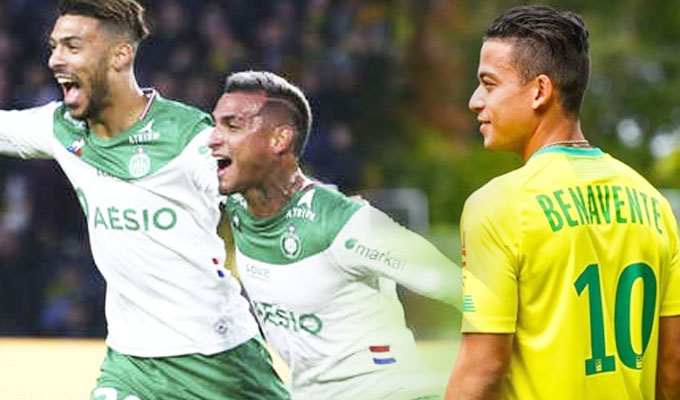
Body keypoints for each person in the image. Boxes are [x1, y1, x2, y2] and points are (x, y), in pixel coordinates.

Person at [0, 1, 289, 399]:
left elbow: (270, 197)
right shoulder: (62, 129)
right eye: (54, 47)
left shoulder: (187, 138)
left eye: (72, 46)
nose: (55, 59)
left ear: (120, 55)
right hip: (130, 362)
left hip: (218, 360)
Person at [446, 5, 680, 400]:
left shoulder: (497, 206)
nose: (475, 101)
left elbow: (482, 371)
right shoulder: (654, 204)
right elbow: (673, 365)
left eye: (489, 83)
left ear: (540, 91)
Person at [207, 70, 461, 400]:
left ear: (279, 139)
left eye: (232, 126)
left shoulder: (345, 223)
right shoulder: (238, 204)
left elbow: (463, 288)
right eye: (215, 124)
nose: (213, 138)